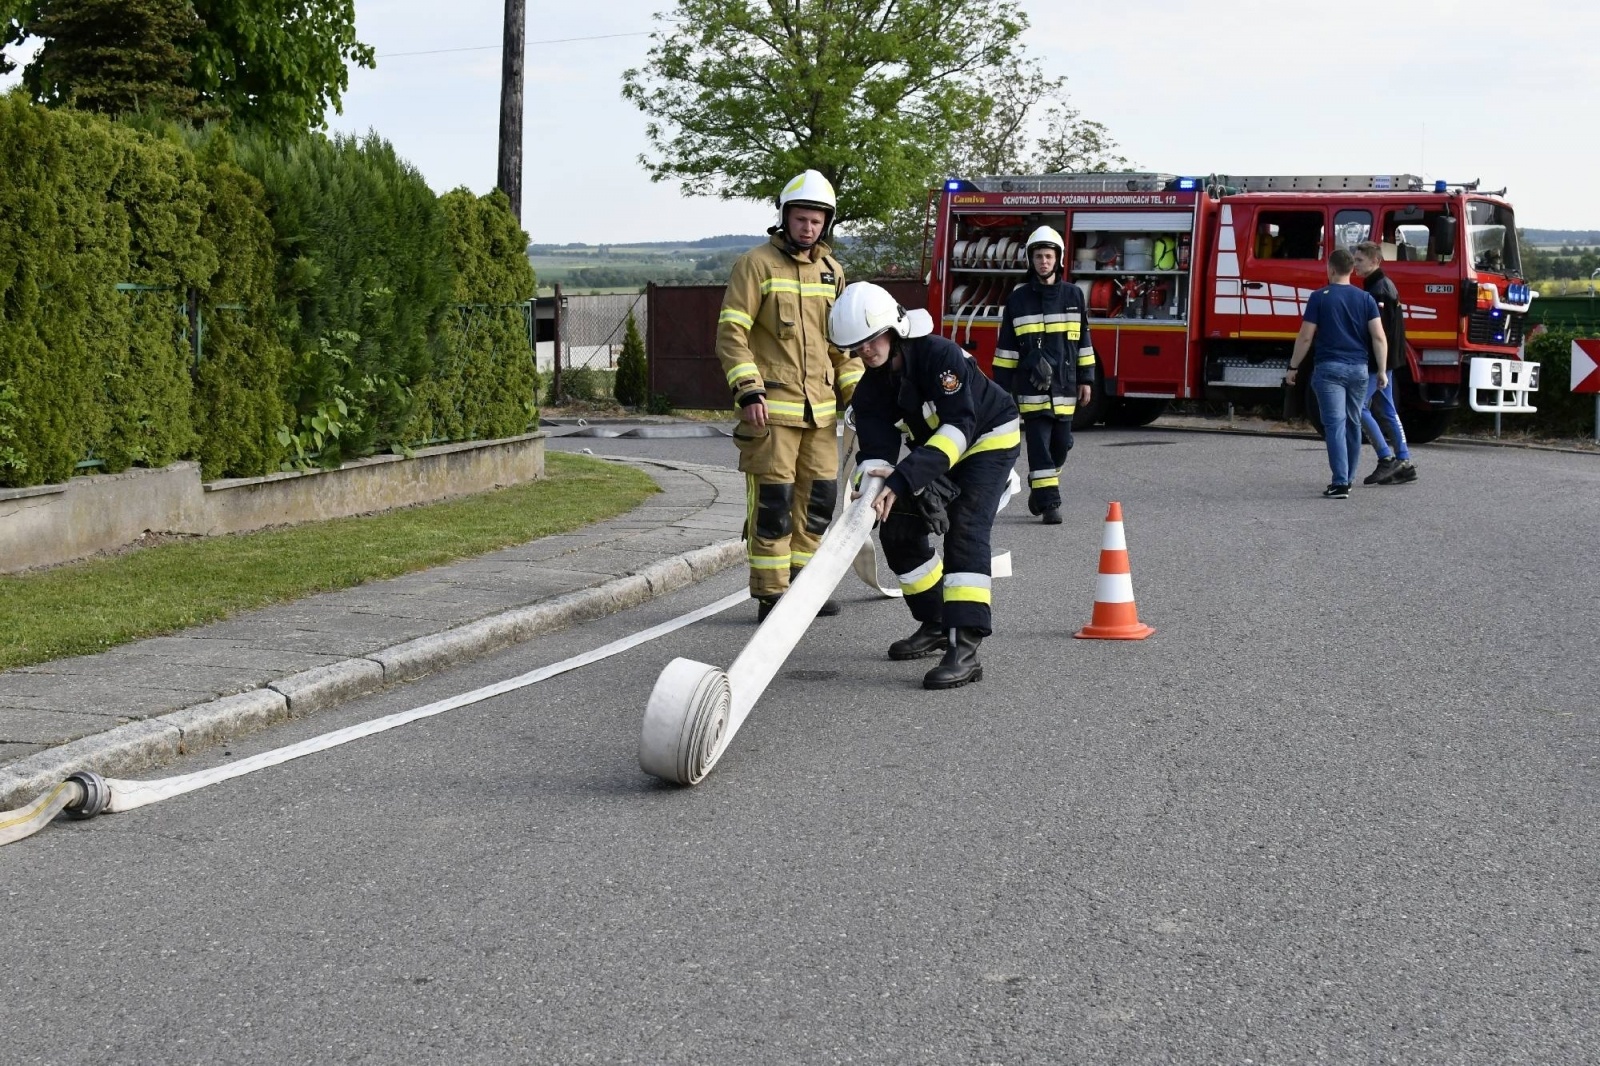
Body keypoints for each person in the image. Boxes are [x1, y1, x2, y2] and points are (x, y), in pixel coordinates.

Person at [830, 282, 1021, 689]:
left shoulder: (939, 356)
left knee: (965, 529)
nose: (866, 351)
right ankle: (935, 621)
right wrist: (871, 490)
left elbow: (959, 427)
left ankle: (964, 647)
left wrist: (904, 478)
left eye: (871, 339)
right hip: (936, 451)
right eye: (856, 347)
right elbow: (877, 452)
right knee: (897, 527)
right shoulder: (870, 389)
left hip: (987, 440)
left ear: (893, 329)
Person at [716, 170, 864, 620]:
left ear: (827, 223)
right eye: (801, 219)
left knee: (818, 501)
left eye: (816, 221)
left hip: (820, 415)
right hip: (770, 415)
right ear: (784, 218)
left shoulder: (832, 272)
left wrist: (857, 394)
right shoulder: (756, 264)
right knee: (774, 504)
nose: (808, 228)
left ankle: (804, 585)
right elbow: (731, 333)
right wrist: (748, 390)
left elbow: (843, 344)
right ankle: (770, 594)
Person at [991, 225, 1094, 524]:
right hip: (1031, 389)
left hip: (1065, 386)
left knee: (1062, 446)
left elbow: (1083, 341)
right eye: (1038, 256)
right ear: (1031, 260)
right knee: (1039, 446)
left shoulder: (1074, 296)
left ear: (1057, 259)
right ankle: (1050, 504)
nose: (1043, 262)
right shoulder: (1017, 300)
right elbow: (1007, 349)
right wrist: (1000, 393)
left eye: (1048, 256)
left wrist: (1087, 379)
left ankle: (1038, 491)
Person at [1284, 247, 1387, 498]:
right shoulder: (1366, 299)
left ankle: (1340, 482)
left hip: (1329, 369)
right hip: (1359, 370)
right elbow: (1379, 337)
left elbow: (1306, 337)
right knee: (1353, 422)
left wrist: (1293, 366)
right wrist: (1382, 371)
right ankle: (1348, 479)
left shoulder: (1320, 297)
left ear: (1330, 269)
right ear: (1352, 270)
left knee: (1335, 425)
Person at [1352, 241, 1418, 485]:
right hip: (1386, 359)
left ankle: (1386, 457)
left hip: (1377, 360)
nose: (1354, 265)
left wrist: (1378, 366)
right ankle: (1404, 461)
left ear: (1375, 261)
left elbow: (1378, 333)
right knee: (1388, 409)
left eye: (1359, 260)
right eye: (1354, 259)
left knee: (1357, 407)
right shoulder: (1383, 285)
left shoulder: (1377, 290)